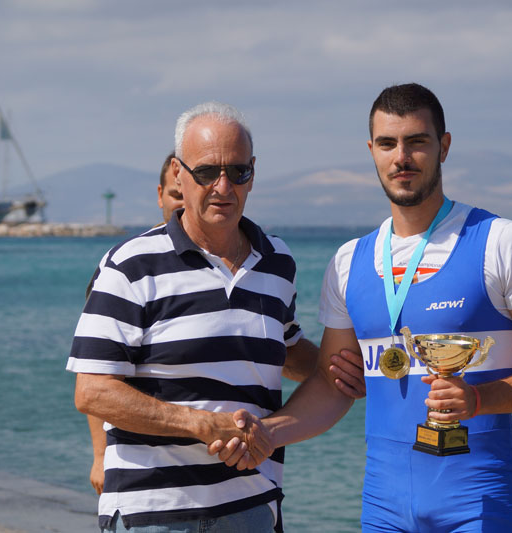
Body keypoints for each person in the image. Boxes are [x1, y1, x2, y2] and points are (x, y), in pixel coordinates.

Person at [214, 83, 512, 532]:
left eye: (417, 142)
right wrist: (267, 433)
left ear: (443, 147)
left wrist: (480, 399)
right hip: (384, 507)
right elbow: (334, 385)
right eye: (388, 144)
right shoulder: (349, 261)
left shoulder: (502, 243)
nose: (402, 158)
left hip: (477, 503)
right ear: (372, 151)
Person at [68, 101, 363, 533]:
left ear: (252, 173)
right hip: (155, 515)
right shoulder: (130, 264)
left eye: (237, 172)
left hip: (253, 508)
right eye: (207, 172)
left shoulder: (277, 262)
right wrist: (203, 425)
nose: (223, 186)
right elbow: (92, 392)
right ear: (178, 173)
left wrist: (348, 373)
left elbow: (282, 348)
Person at [85, 151, 184, 496]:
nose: (183, 204)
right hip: (139, 470)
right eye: (175, 195)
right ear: (160, 195)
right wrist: (100, 456)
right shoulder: (126, 265)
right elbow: (97, 368)